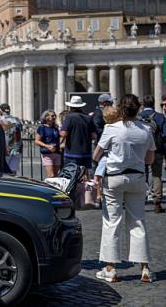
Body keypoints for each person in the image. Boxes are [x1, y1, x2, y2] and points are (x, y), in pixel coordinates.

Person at [93, 94, 155, 284]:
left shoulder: (111, 128)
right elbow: (150, 160)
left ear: (120, 109)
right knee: (138, 221)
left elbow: (96, 155)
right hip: (137, 177)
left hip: (114, 178)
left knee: (112, 221)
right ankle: (144, 268)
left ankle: (110, 268)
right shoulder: (146, 129)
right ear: (138, 109)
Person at [138, 95, 166, 214]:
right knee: (157, 175)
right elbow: (165, 135)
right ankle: (157, 202)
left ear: (143, 105)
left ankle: (138, 200)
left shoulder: (138, 117)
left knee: (140, 174)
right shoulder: (159, 117)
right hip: (156, 150)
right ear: (154, 104)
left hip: (140, 151)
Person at [60, 95, 96, 171]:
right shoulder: (88, 118)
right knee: (85, 175)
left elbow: (63, 134)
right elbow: (93, 135)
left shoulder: (69, 117)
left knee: (72, 174)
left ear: (71, 107)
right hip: (86, 152)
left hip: (72, 153)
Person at [0, 103, 23, 176]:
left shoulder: (0, 120)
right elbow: (21, 129)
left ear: (0, 110)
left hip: (6, 148)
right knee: (13, 171)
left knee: (3, 171)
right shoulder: (17, 120)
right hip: (17, 148)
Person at [36, 110, 62, 178]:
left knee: (56, 175)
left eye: (55, 116)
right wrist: (47, 146)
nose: (54, 117)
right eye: (52, 116)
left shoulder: (56, 127)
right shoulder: (42, 128)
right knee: (51, 175)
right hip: (47, 153)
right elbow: (37, 141)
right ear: (46, 117)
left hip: (57, 152)